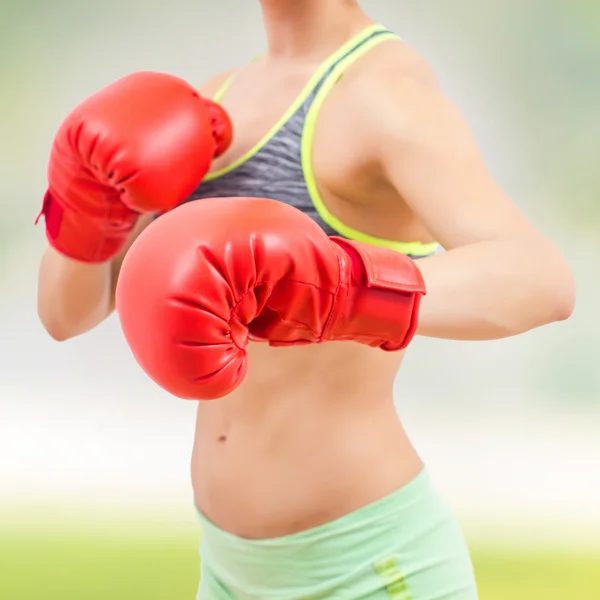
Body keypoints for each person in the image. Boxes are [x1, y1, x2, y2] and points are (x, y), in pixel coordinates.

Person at [36, 1, 576, 598]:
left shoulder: (383, 96)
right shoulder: (216, 99)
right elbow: (66, 315)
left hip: (370, 567)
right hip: (226, 569)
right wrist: (86, 201)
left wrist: (339, 287)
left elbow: (542, 281)